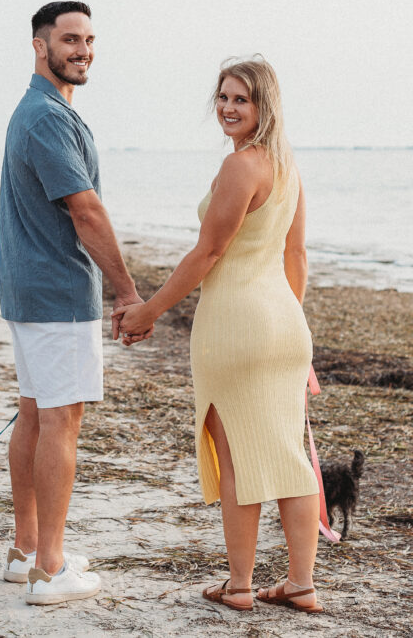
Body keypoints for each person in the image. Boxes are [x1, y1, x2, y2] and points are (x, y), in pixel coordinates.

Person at [115, 56, 323, 614]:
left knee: (238, 459)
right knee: (288, 456)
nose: (229, 108)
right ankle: (301, 584)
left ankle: (240, 586)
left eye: (242, 100)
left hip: (237, 324)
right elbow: (295, 255)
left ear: (264, 107)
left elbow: (208, 253)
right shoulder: (287, 167)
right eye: (224, 98)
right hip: (283, 323)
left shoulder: (242, 168)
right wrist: (289, 330)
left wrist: (149, 310)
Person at [0, 1, 150, 605]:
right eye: (69, 39)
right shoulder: (48, 118)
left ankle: (26, 551)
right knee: (60, 420)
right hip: (57, 294)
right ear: (40, 46)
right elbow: (85, 211)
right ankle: (50, 571)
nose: (82, 50)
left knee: (34, 414)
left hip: (30, 290)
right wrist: (128, 291)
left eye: (89, 39)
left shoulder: (37, 111)